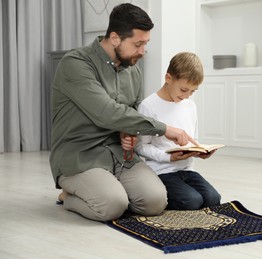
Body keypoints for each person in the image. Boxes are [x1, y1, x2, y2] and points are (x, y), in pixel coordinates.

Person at [49, 3, 196, 222]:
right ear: (115, 38)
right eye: (138, 44)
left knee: (155, 202)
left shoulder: (133, 71)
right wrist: (165, 130)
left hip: (121, 155)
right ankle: (69, 195)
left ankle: (109, 190)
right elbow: (107, 113)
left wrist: (129, 134)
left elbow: (132, 113)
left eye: (145, 44)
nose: (143, 52)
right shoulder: (76, 64)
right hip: (80, 157)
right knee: (112, 206)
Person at [133, 52, 221, 210]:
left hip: (187, 169)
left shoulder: (190, 106)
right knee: (191, 201)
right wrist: (168, 158)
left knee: (213, 198)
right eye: (183, 89)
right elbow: (140, 146)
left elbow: (192, 139)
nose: (187, 96)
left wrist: (200, 151)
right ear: (168, 78)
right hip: (162, 171)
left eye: (192, 92)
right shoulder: (148, 106)